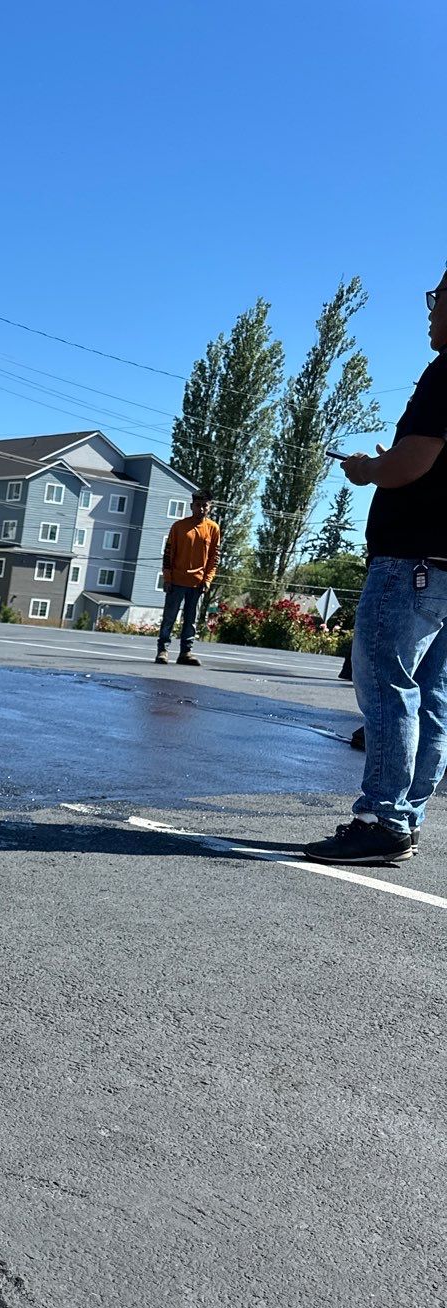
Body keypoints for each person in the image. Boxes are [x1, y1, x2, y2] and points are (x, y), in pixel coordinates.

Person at [304, 268, 447, 866]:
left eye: (438, 298)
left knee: (388, 688)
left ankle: (383, 821)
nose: (430, 310)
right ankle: (405, 818)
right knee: (433, 694)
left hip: (411, 561)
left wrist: (369, 469)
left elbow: (412, 463)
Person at [156, 493, 219, 665]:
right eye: (198, 505)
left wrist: (207, 580)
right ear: (192, 506)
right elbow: (168, 555)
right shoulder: (178, 527)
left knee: (191, 619)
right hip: (176, 581)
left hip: (197, 583)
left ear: (210, 507)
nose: (201, 508)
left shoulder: (213, 529)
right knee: (169, 617)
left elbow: (214, 558)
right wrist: (167, 578)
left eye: (205, 505)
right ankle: (163, 650)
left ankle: (186, 652)